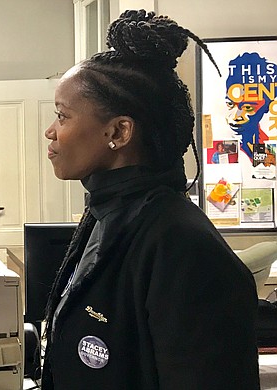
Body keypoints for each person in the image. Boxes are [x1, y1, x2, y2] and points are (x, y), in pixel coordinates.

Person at [41, 10, 258, 389]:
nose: (51, 131)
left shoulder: (181, 245)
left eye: (63, 116)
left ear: (119, 132)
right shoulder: (107, 216)